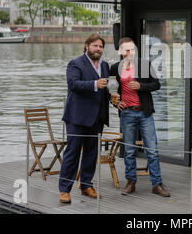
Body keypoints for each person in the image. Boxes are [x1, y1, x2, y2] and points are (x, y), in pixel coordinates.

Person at [59, 34, 119, 204]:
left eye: (100, 47)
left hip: (97, 118)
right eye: (95, 46)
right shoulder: (75, 63)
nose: (98, 49)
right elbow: (73, 84)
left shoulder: (105, 66)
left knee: (92, 155)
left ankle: (86, 185)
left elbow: (105, 89)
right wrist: (94, 84)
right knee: (72, 154)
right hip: (77, 118)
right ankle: (64, 190)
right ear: (87, 46)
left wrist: (112, 95)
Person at [110, 37, 170, 197]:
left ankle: (157, 185)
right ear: (121, 51)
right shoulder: (116, 68)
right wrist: (114, 101)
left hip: (145, 113)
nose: (131, 52)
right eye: (127, 49)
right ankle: (131, 182)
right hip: (127, 113)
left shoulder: (144, 65)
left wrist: (141, 86)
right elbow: (107, 88)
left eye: (133, 49)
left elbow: (156, 84)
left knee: (152, 150)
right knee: (129, 151)